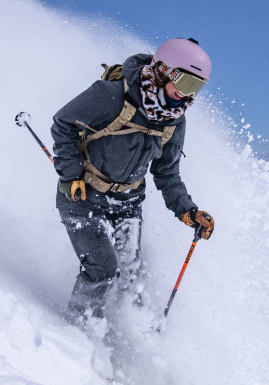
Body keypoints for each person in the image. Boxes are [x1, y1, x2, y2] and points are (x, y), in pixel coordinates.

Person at [51, 38, 215, 331]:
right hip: (82, 195)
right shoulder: (111, 95)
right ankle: (74, 333)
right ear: (165, 70)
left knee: (129, 274)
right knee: (103, 270)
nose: (189, 95)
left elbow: (166, 173)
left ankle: (118, 332)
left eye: (198, 88)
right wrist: (70, 174)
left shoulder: (174, 120)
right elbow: (63, 123)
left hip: (128, 204)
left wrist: (187, 210)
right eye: (187, 82)